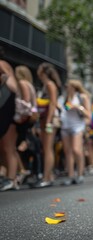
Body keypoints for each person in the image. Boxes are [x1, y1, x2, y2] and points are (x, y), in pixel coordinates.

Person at [32, 62, 62, 188]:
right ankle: (48, 176)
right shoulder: (45, 85)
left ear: (43, 71)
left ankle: (46, 178)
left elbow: (53, 103)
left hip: (49, 120)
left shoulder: (50, 85)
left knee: (48, 148)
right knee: (46, 148)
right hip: (45, 119)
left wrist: (49, 121)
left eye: (39, 68)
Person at [60, 79, 91, 185]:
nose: (66, 88)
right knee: (68, 152)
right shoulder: (64, 97)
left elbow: (88, 115)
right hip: (65, 126)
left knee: (76, 150)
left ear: (73, 87)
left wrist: (78, 107)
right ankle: (70, 175)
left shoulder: (82, 97)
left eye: (67, 86)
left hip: (77, 126)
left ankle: (80, 174)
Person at [0, 60, 21, 191]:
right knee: (4, 148)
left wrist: (5, 79)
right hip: (6, 112)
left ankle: (12, 179)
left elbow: (14, 87)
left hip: (9, 113)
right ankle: (8, 177)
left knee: (9, 148)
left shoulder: (2, 64)